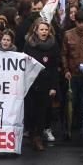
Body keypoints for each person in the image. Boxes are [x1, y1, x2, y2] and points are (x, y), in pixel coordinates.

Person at [23, 20, 59, 151]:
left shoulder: (53, 45)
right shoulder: (29, 45)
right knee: (31, 111)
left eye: (46, 30)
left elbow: (55, 67)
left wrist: (54, 86)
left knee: (42, 113)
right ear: (36, 31)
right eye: (41, 29)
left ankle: (38, 137)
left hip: (46, 84)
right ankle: (31, 134)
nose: (44, 32)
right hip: (31, 84)